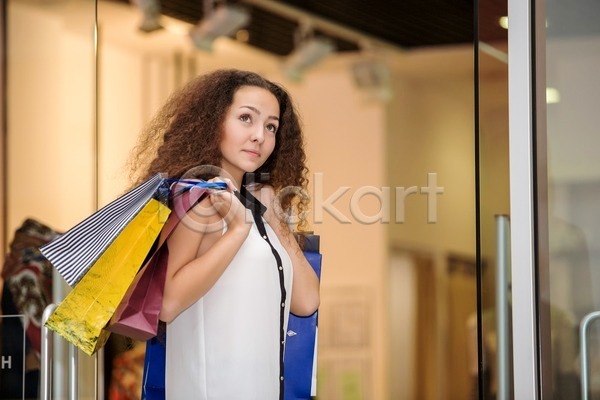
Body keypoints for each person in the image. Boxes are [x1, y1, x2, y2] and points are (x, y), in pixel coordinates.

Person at [127, 69, 320, 399]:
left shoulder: (257, 207)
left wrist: (274, 221)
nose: (260, 135)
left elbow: (306, 302)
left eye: (271, 126)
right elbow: (168, 305)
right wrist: (238, 231)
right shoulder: (196, 199)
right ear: (214, 121)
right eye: (246, 118)